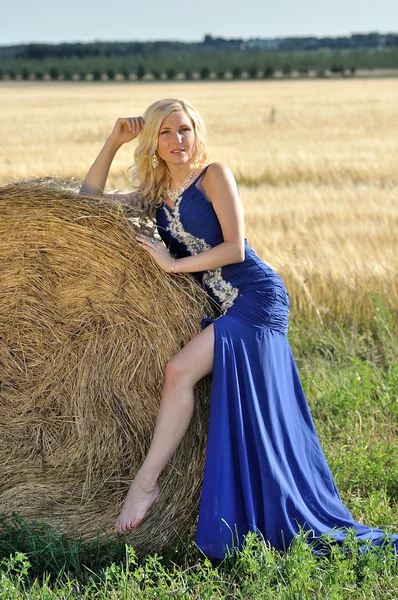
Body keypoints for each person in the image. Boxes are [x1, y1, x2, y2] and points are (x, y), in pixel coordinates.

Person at [80, 98, 397, 558]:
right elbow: (89, 204)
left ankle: (144, 485)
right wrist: (112, 142)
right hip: (228, 308)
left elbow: (235, 250)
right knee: (209, 390)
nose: (177, 141)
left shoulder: (214, 176)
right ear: (153, 142)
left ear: (196, 132)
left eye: (184, 130)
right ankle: (219, 496)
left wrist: (173, 266)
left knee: (178, 372)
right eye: (165, 133)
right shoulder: (153, 197)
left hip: (256, 298)